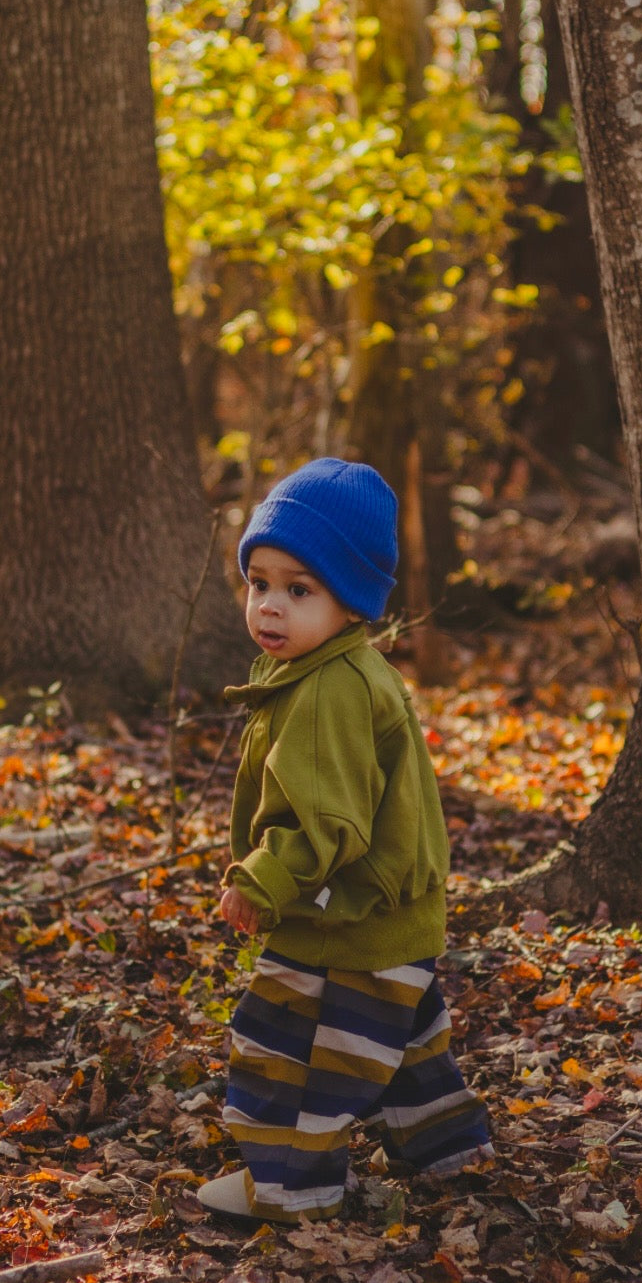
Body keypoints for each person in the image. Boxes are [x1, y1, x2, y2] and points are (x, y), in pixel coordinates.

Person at [197, 457, 492, 1226]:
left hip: (343, 918)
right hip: (391, 917)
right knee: (402, 1039)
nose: (269, 606)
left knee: (285, 1048)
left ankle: (290, 1186)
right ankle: (446, 1149)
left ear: (351, 599)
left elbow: (327, 822)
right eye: (259, 582)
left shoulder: (329, 690)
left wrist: (261, 880)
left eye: (300, 589)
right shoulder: (331, 670)